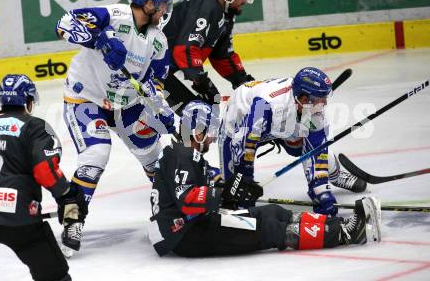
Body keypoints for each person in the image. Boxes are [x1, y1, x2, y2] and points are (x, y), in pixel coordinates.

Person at [148, 100, 381, 257]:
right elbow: (188, 200)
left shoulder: (186, 154)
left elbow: (211, 179)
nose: (210, 139)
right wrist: (223, 193)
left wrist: (237, 186)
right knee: (266, 228)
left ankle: (338, 225)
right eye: (208, 133)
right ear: (197, 130)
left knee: (272, 212)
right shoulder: (181, 154)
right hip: (186, 235)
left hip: (194, 225)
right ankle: (345, 234)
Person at [55, 0, 175, 256]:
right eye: (161, 6)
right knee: (95, 155)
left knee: (152, 154)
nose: (165, 11)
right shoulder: (113, 15)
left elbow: (156, 82)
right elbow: (63, 24)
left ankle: (168, 207)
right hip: (86, 97)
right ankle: (73, 219)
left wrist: (158, 105)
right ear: (148, 4)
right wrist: (100, 39)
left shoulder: (159, 41)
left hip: (127, 104)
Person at [219, 67, 367, 216]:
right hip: (240, 126)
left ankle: (335, 175)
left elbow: (316, 153)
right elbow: (244, 144)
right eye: (321, 99)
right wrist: (245, 179)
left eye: (325, 98)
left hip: (281, 121)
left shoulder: (314, 111)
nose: (325, 104)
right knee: (232, 190)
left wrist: (321, 193)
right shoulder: (264, 106)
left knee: (306, 147)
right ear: (303, 99)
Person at [0, 74, 87, 281]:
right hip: (20, 216)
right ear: (28, 101)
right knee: (54, 276)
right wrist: (67, 196)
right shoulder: (35, 127)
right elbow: (45, 171)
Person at [161, 0, 255, 112]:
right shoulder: (207, 8)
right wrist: (200, 81)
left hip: (172, 68)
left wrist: (242, 80)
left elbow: (221, 55)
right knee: (200, 112)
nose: (245, 0)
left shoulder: (225, 10)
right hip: (159, 70)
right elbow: (184, 50)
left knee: (211, 104)